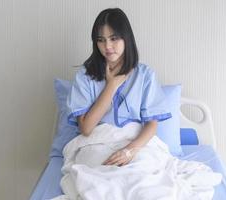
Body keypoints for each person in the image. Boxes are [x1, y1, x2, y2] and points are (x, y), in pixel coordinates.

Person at [66, 8, 171, 167]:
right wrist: (111, 85)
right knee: (100, 174)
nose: (107, 46)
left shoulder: (145, 75)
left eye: (113, 38)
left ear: (126, 38)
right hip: (97, 143)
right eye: (101, 40)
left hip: (135, 143)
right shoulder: (84, 76)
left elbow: (151, 124)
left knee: (144, 172)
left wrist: (129, 151)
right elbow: (86, 129)